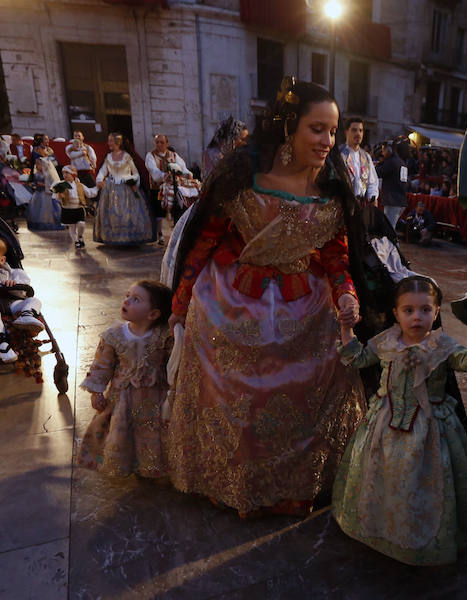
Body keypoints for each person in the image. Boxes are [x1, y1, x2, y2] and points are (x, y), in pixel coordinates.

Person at [165, 77, 393, 518]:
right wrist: (180, 304)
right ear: (288, 127)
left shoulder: (330, 189)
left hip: (305, 304)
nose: (328, 141)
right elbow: (203, 243)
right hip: (232, 299)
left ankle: (298, 486)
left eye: (333, 130)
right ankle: (230, 481)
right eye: (317, 129)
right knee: (235, 390)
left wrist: (347, 294)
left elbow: (336, 254)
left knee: (313, 383)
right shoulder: (241, 180)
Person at [332, 276, 467, 565]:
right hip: (385, 423)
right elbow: (357, 358)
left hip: (432, 430)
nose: (417, 317)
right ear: (396, 314)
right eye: (408, 310)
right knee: (382, 477)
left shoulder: (442, 345)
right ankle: (383, 529)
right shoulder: (386, 342)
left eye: (425, 310)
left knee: (425, 483)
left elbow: (465, 360)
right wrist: (346, 329)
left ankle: (420, 537)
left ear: (436, 312)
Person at [77, 280, 174, 478]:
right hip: (123, 399)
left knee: (150, 434)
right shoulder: (114, 336)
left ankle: (150, 467)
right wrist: (96, 392)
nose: (127, 301)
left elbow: (175, 363)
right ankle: (125, 464)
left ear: (153, 314)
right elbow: (101, 365)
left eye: (136, 299)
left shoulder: (164, 336)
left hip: (155, 398)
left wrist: (175, 390)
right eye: (127, 296)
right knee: (122, 432)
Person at [94, 132, 153, 245]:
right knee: (112, 213)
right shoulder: (109, 157)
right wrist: (99, 180)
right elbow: (102, 171)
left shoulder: (126, 156)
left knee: (127, 212)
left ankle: (129, 237)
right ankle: (114, 237)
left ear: (117, 142)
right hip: (111, 189)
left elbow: (135, 172)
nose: (108, 143)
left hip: (126, 188)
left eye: (110, 140)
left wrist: (134, 182)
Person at [145, 134, 193, 244]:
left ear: (167, 143)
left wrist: (188, 173)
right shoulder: (150, 156)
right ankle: (160, 234)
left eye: (162, 142)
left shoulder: (173, 155)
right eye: (157, 142)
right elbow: (153, 171)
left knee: (176, 209)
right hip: (157, 188)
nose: (159, 144)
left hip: (173, 187)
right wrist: (163, 176)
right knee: (159, 212)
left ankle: (175, 233)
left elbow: (182, 167)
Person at [338, 117, 379, 206]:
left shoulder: (366, 157)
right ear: (346, 132)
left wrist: (373, 197)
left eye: (360, 130)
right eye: (354, 130)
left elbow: (372, 182)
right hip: (342, 204)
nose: (358, 133)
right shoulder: (339, 155)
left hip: (361, 205)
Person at [56, 165, 97, 248]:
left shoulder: (79, 185)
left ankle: (80, 236)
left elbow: (89, 193)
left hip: (78, 208)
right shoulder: (61, 185)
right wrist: (59, 197)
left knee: (81, 224)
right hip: (68, 209)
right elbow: (57, 198)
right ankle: (76, 241)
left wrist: (97, 188)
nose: (65, 175)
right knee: (72, 227)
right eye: (63, 173)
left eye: (67, 173)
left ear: (73, 174)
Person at [376, 141, 408, 230]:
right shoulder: (402, 162)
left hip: (393, 200)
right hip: (401, 200)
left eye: (383, 150)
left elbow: (378, 172)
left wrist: (379, 164)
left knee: (388, 228)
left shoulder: (391, 162)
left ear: (389, 150)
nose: (382, 153)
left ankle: (391, 244)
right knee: (391, 227)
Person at [26, 157, 64, 231]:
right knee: (36, 208)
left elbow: (53, 185)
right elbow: (35, 182)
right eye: (36, 164)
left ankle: (46, 223)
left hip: (46, 194)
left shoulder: (48, 174)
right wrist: (33, 184)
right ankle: (36, 224)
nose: (36, 166)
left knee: (45, 210)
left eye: (38, 164)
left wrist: (43, 185)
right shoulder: (36, 173)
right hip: (37, 194)